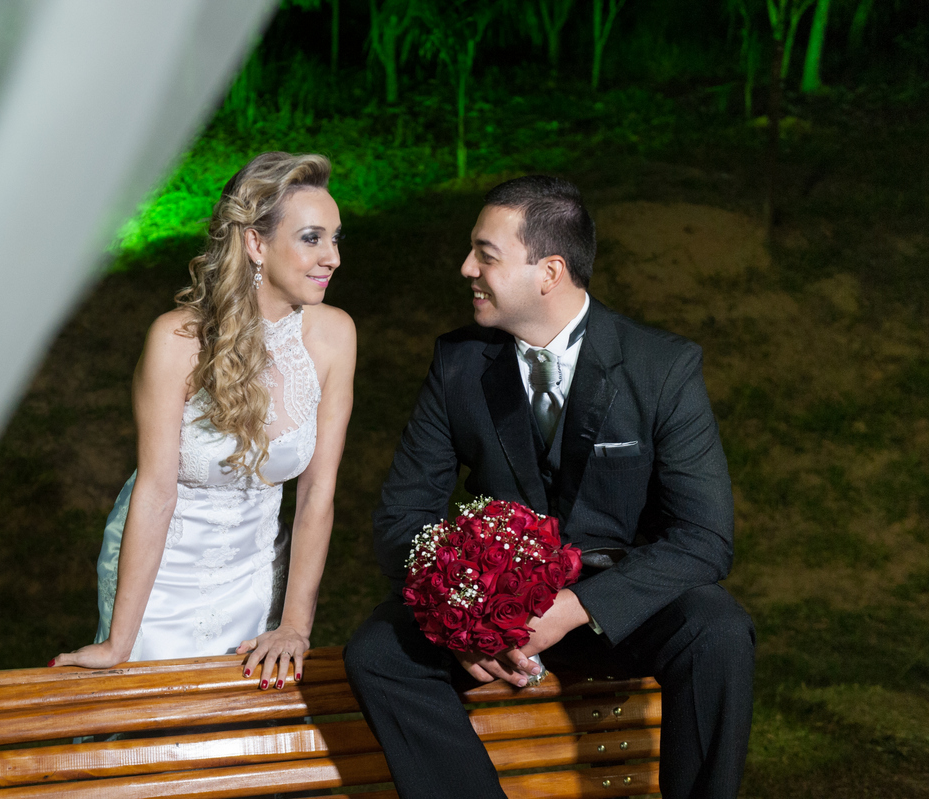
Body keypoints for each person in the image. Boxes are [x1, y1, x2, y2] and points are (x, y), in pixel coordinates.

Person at [344, 175, 754, 798]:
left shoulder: (661, 367)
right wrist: (465, 621)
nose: (465, 269)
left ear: (550, 271)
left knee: (717, 631)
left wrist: (573, 610)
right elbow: (402, 520)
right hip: (493, 617)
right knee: (379, 653)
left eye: (485, 254)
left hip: (618, 613)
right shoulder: (458, 365)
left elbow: (704, 539)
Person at [52, 152, 355, 689]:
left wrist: (294, 626)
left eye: (336, 239)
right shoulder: (176, 342)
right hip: (159, 567)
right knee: (143, 730)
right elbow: (156, 492)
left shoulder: (334, 337)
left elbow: (317, 494)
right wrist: (119, 641)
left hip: (254, 571)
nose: (332, 257)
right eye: (312, 238)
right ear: (255, 243)